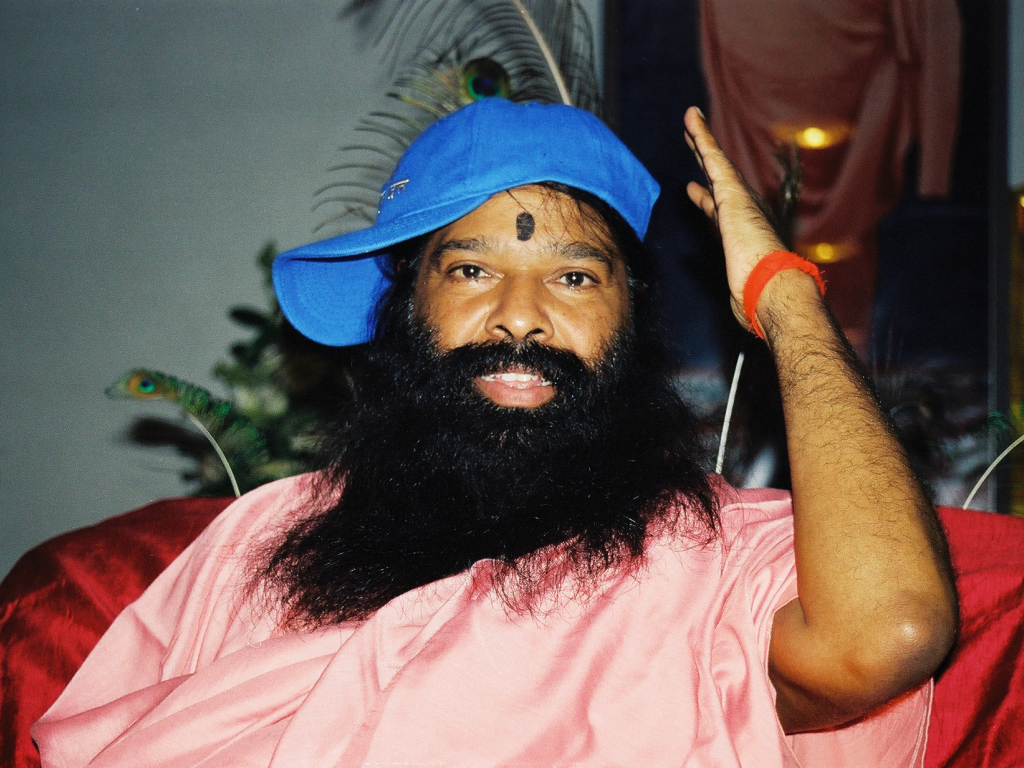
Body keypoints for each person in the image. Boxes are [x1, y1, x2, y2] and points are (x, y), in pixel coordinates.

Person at [33, 98, 956, 767]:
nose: (520, 317)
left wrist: (784, 295)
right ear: (403, 304)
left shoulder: (721, 559)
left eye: (574, 278)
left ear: (631, 320)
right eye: (471, 270)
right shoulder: (266, 538)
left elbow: (892, 632)